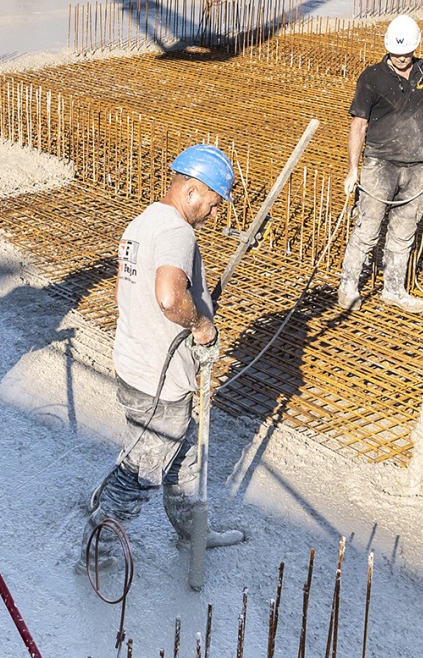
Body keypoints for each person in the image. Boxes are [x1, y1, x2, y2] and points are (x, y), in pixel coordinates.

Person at [85, 144, 250, 569]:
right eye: (214, 204)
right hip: (159, 378)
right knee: (143, 471)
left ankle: (193, 534)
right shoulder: (178, 232)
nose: (215, 215)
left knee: (183, 458)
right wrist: (201, 325)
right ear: (193, 190)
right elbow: (168, 297)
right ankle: (97, 550)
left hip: (137, 364)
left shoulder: (143, 221)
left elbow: (125, 289)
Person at [337, 15, 423, 313]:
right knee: (368, 228)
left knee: (404, 231)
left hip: (418, 166)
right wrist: (353, 169)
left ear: (415, 48)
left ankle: (394, 289)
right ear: (388, 49)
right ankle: (348, 286)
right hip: (379, 165)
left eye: (407, 53)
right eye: (396, 54)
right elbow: (358, 125)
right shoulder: (371, 78)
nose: (401, 59)